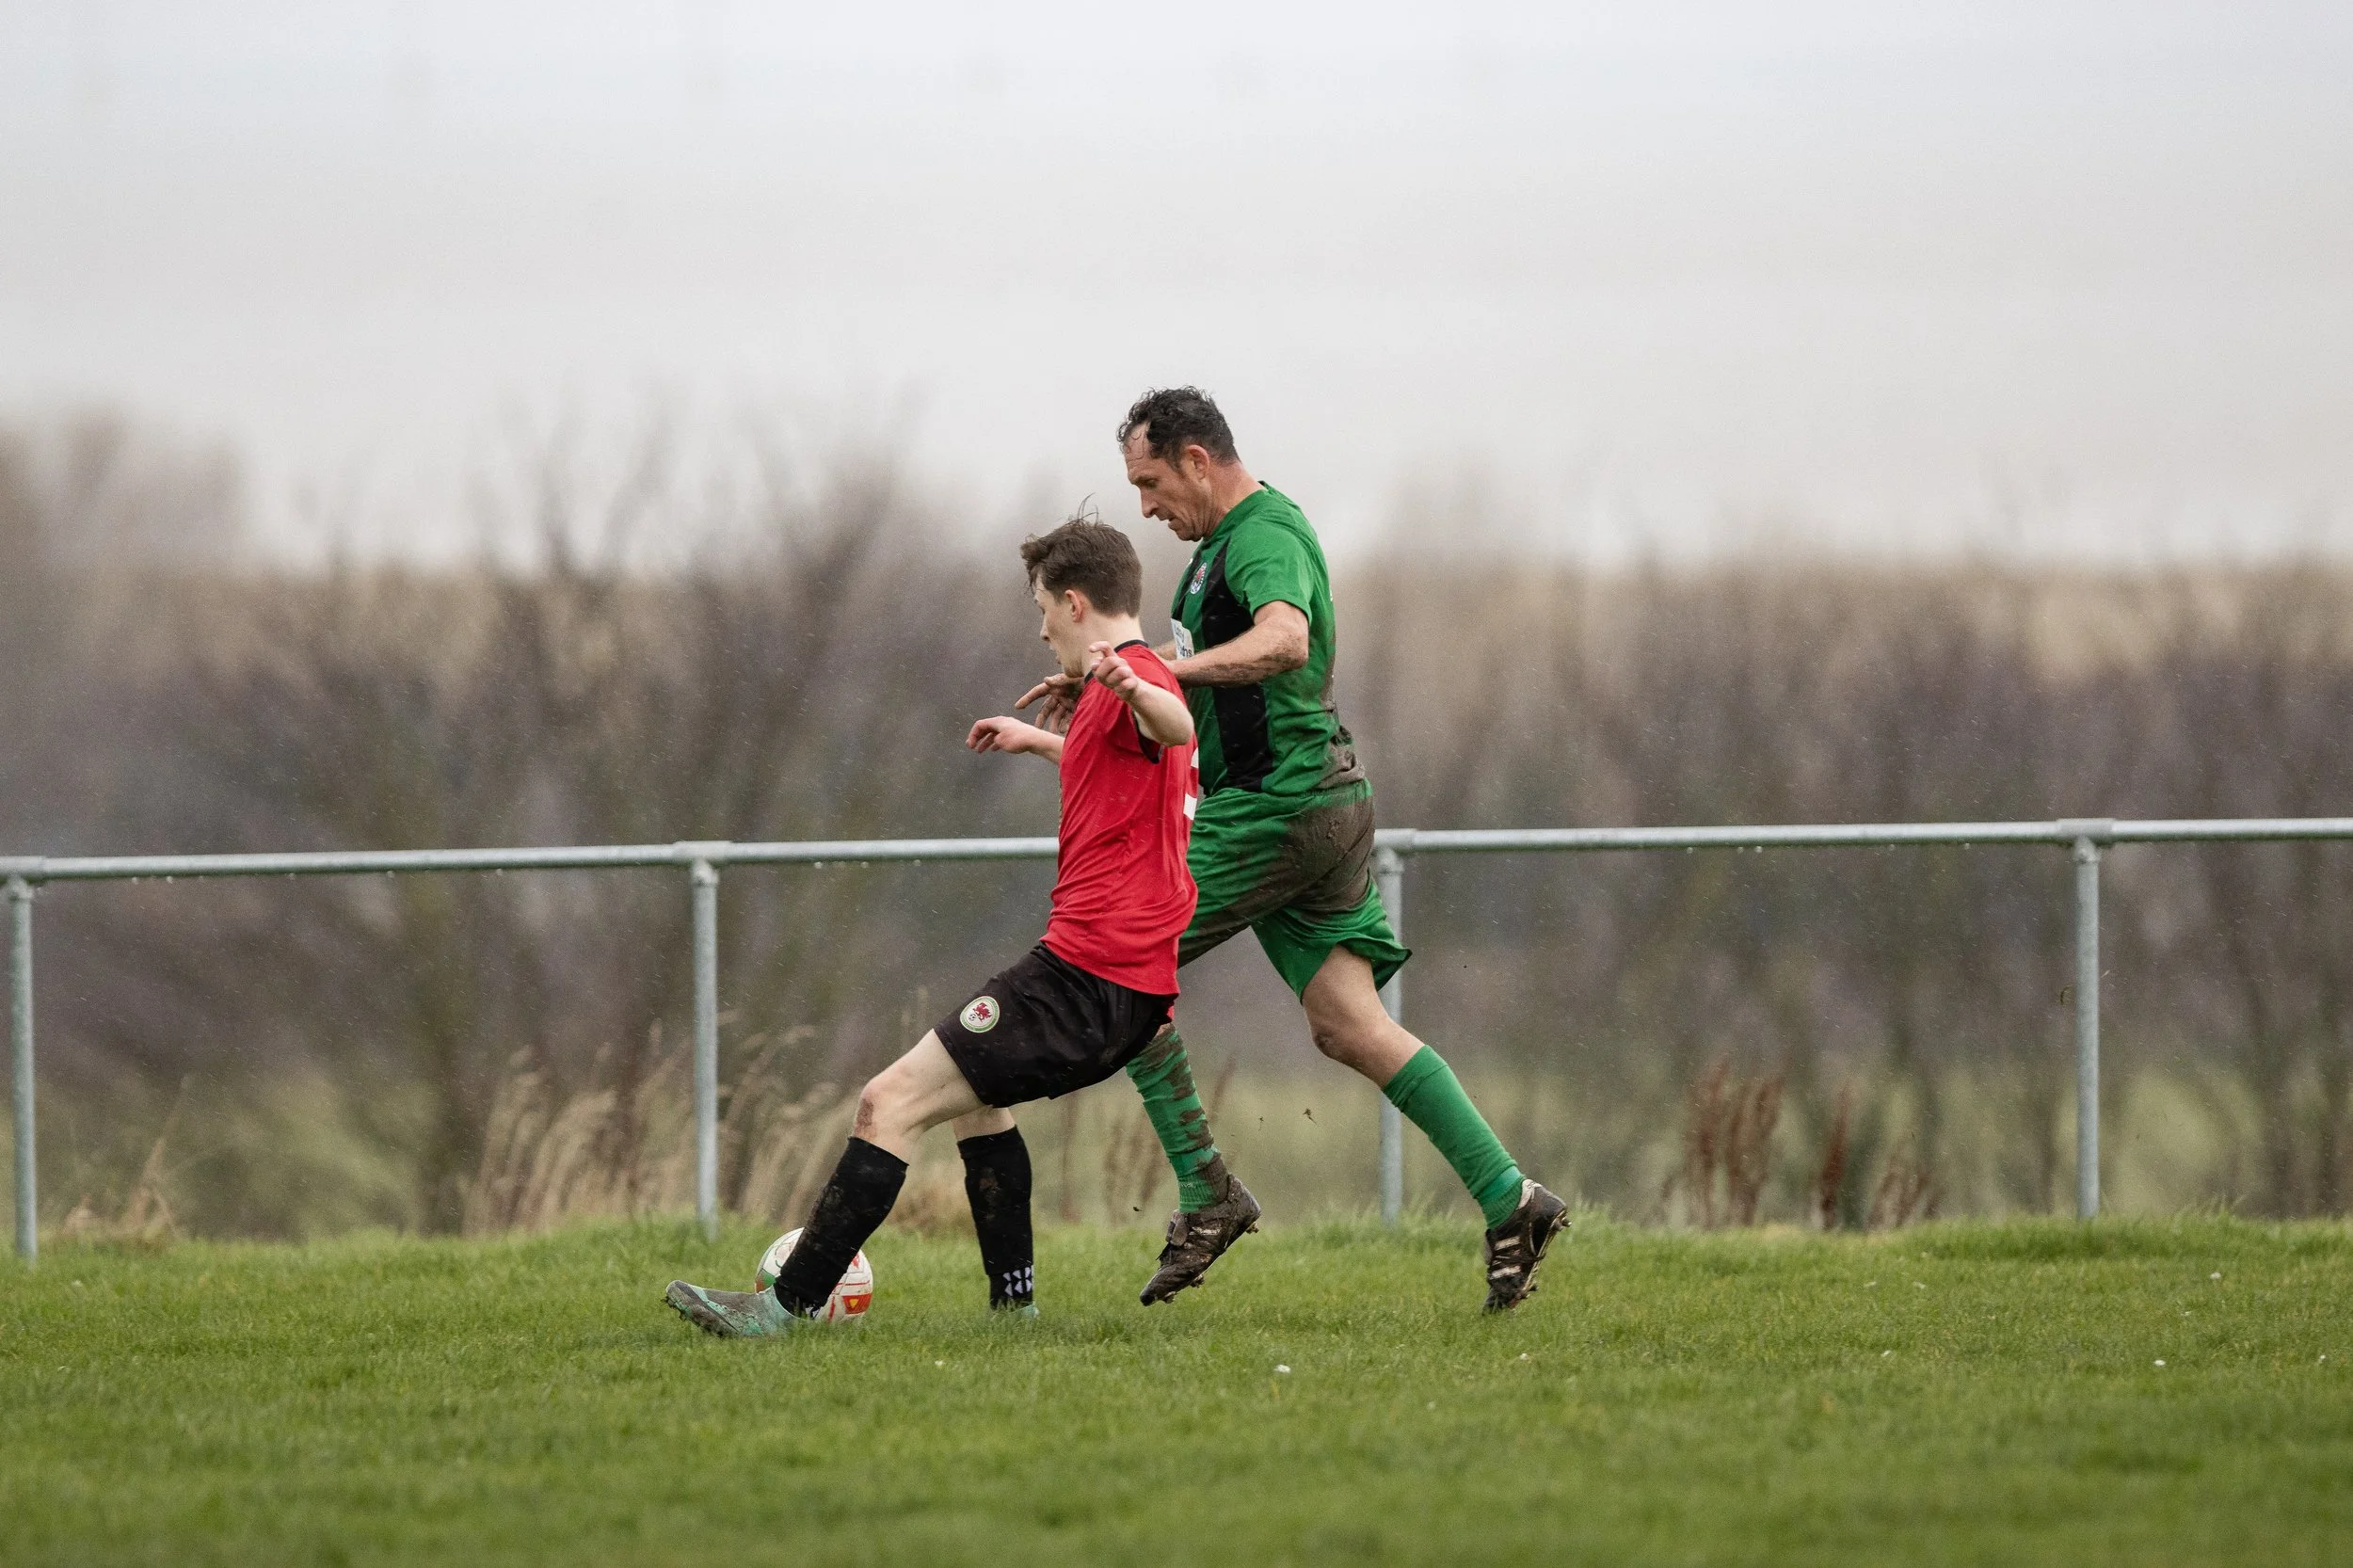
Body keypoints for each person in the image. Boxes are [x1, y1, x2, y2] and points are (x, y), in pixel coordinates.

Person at [1022, 388, 1567, 1313]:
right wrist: (1117, 688)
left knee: (1115, 961)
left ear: (1199, 460)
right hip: (1319, 807)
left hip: (1276, 809)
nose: (1145, 508)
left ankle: (1206, 1192)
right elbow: (1209, 684)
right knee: (1350, 1024)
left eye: (1151, 483)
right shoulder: (1211, 559)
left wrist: (1155, 670)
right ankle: (1510, 1198)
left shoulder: (1262, 533)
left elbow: (1283, 639)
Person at [664, 516, 1201, 1335]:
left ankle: (781, 1309)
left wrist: (1135, 693)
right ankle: (1012, 1312)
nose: (1041, 627)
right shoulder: (1117, 686)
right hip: (1121, 985)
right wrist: (1039, 743)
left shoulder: (1137, 680)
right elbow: (1140, 771)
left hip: (1088, 975)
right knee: (981, 1104)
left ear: (1075, 601)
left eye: (1043, 610)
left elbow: (1176, 726)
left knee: (888, 1103)